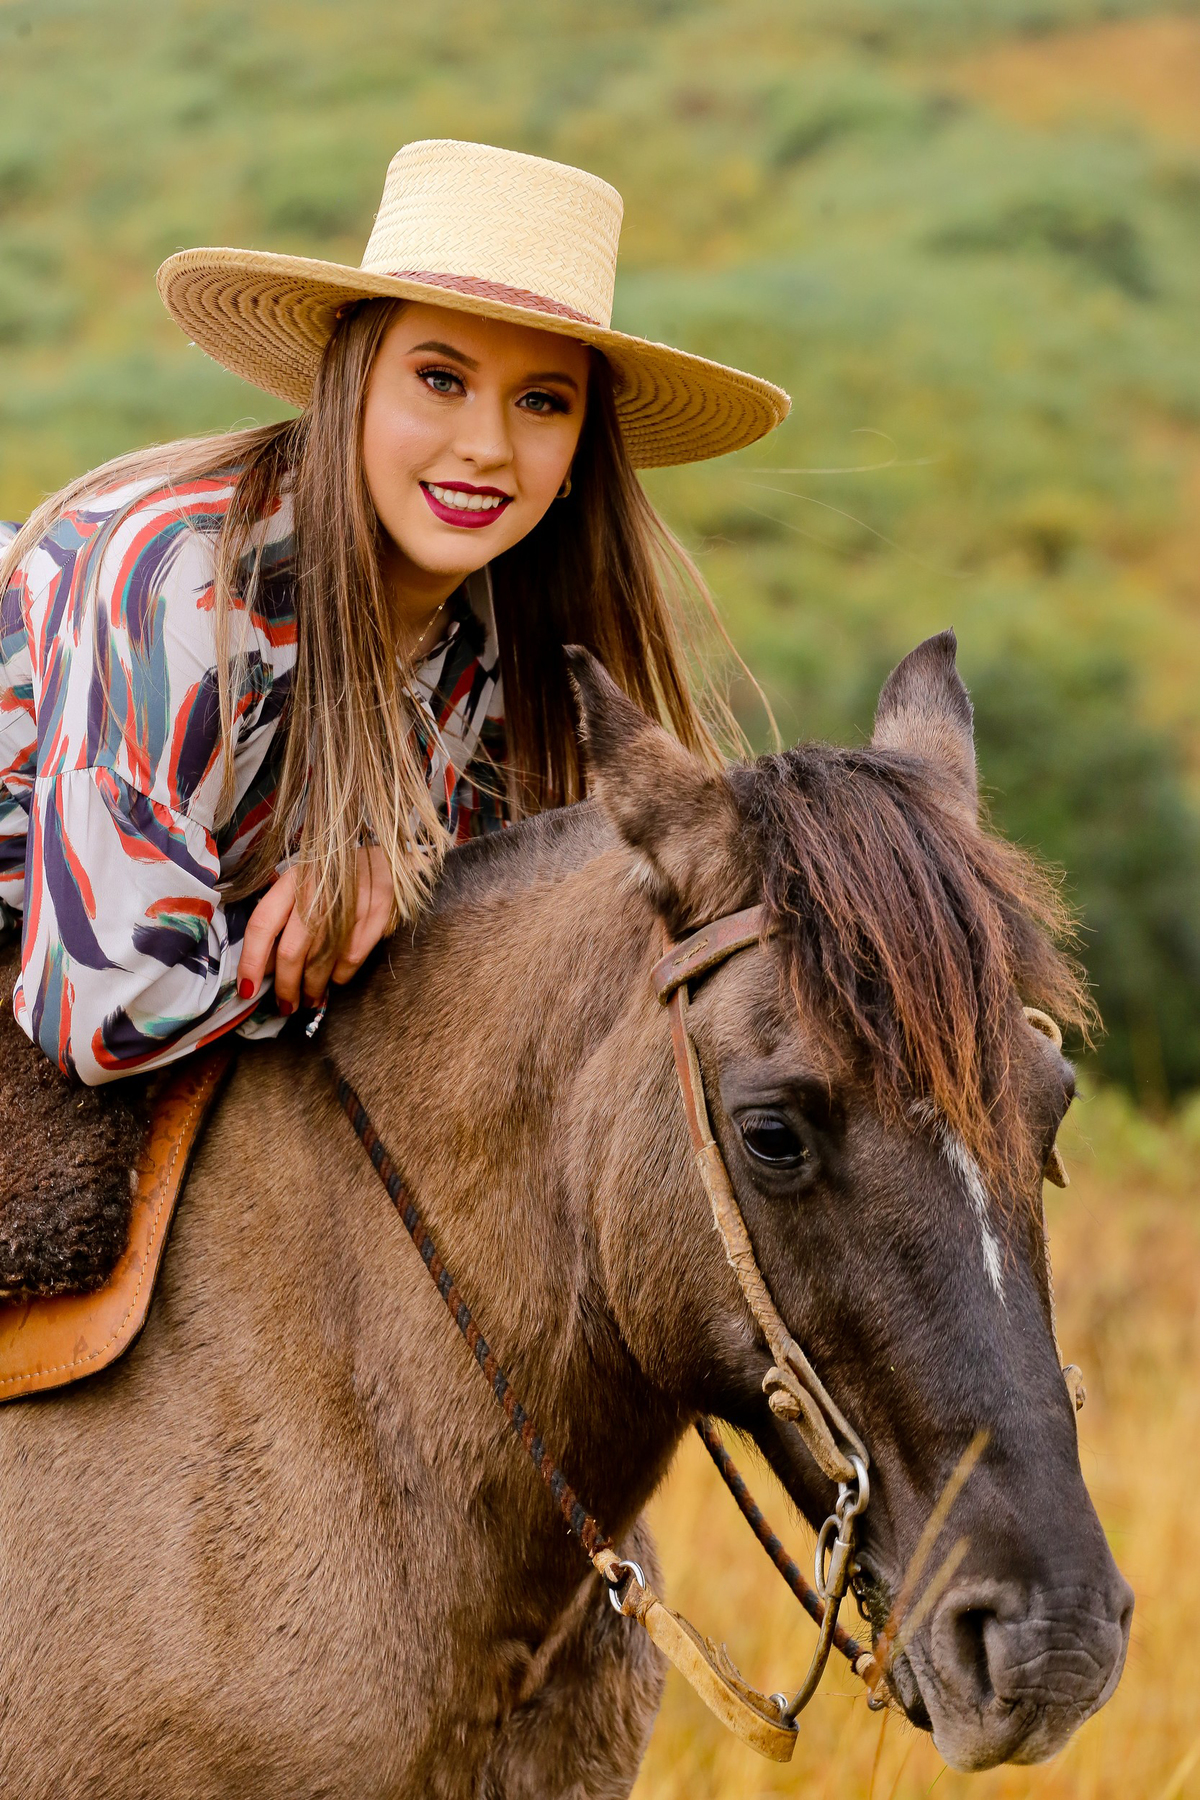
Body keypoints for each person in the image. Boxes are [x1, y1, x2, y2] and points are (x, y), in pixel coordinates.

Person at [0, 139, 788, 1086]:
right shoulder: (178, 580)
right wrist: (343, 931)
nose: (487, 446)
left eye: (542, 401)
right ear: (353, 384)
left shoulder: (508, 650)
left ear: (581, 452)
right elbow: (103, 1007)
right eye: (441, 379)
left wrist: (395, 881)